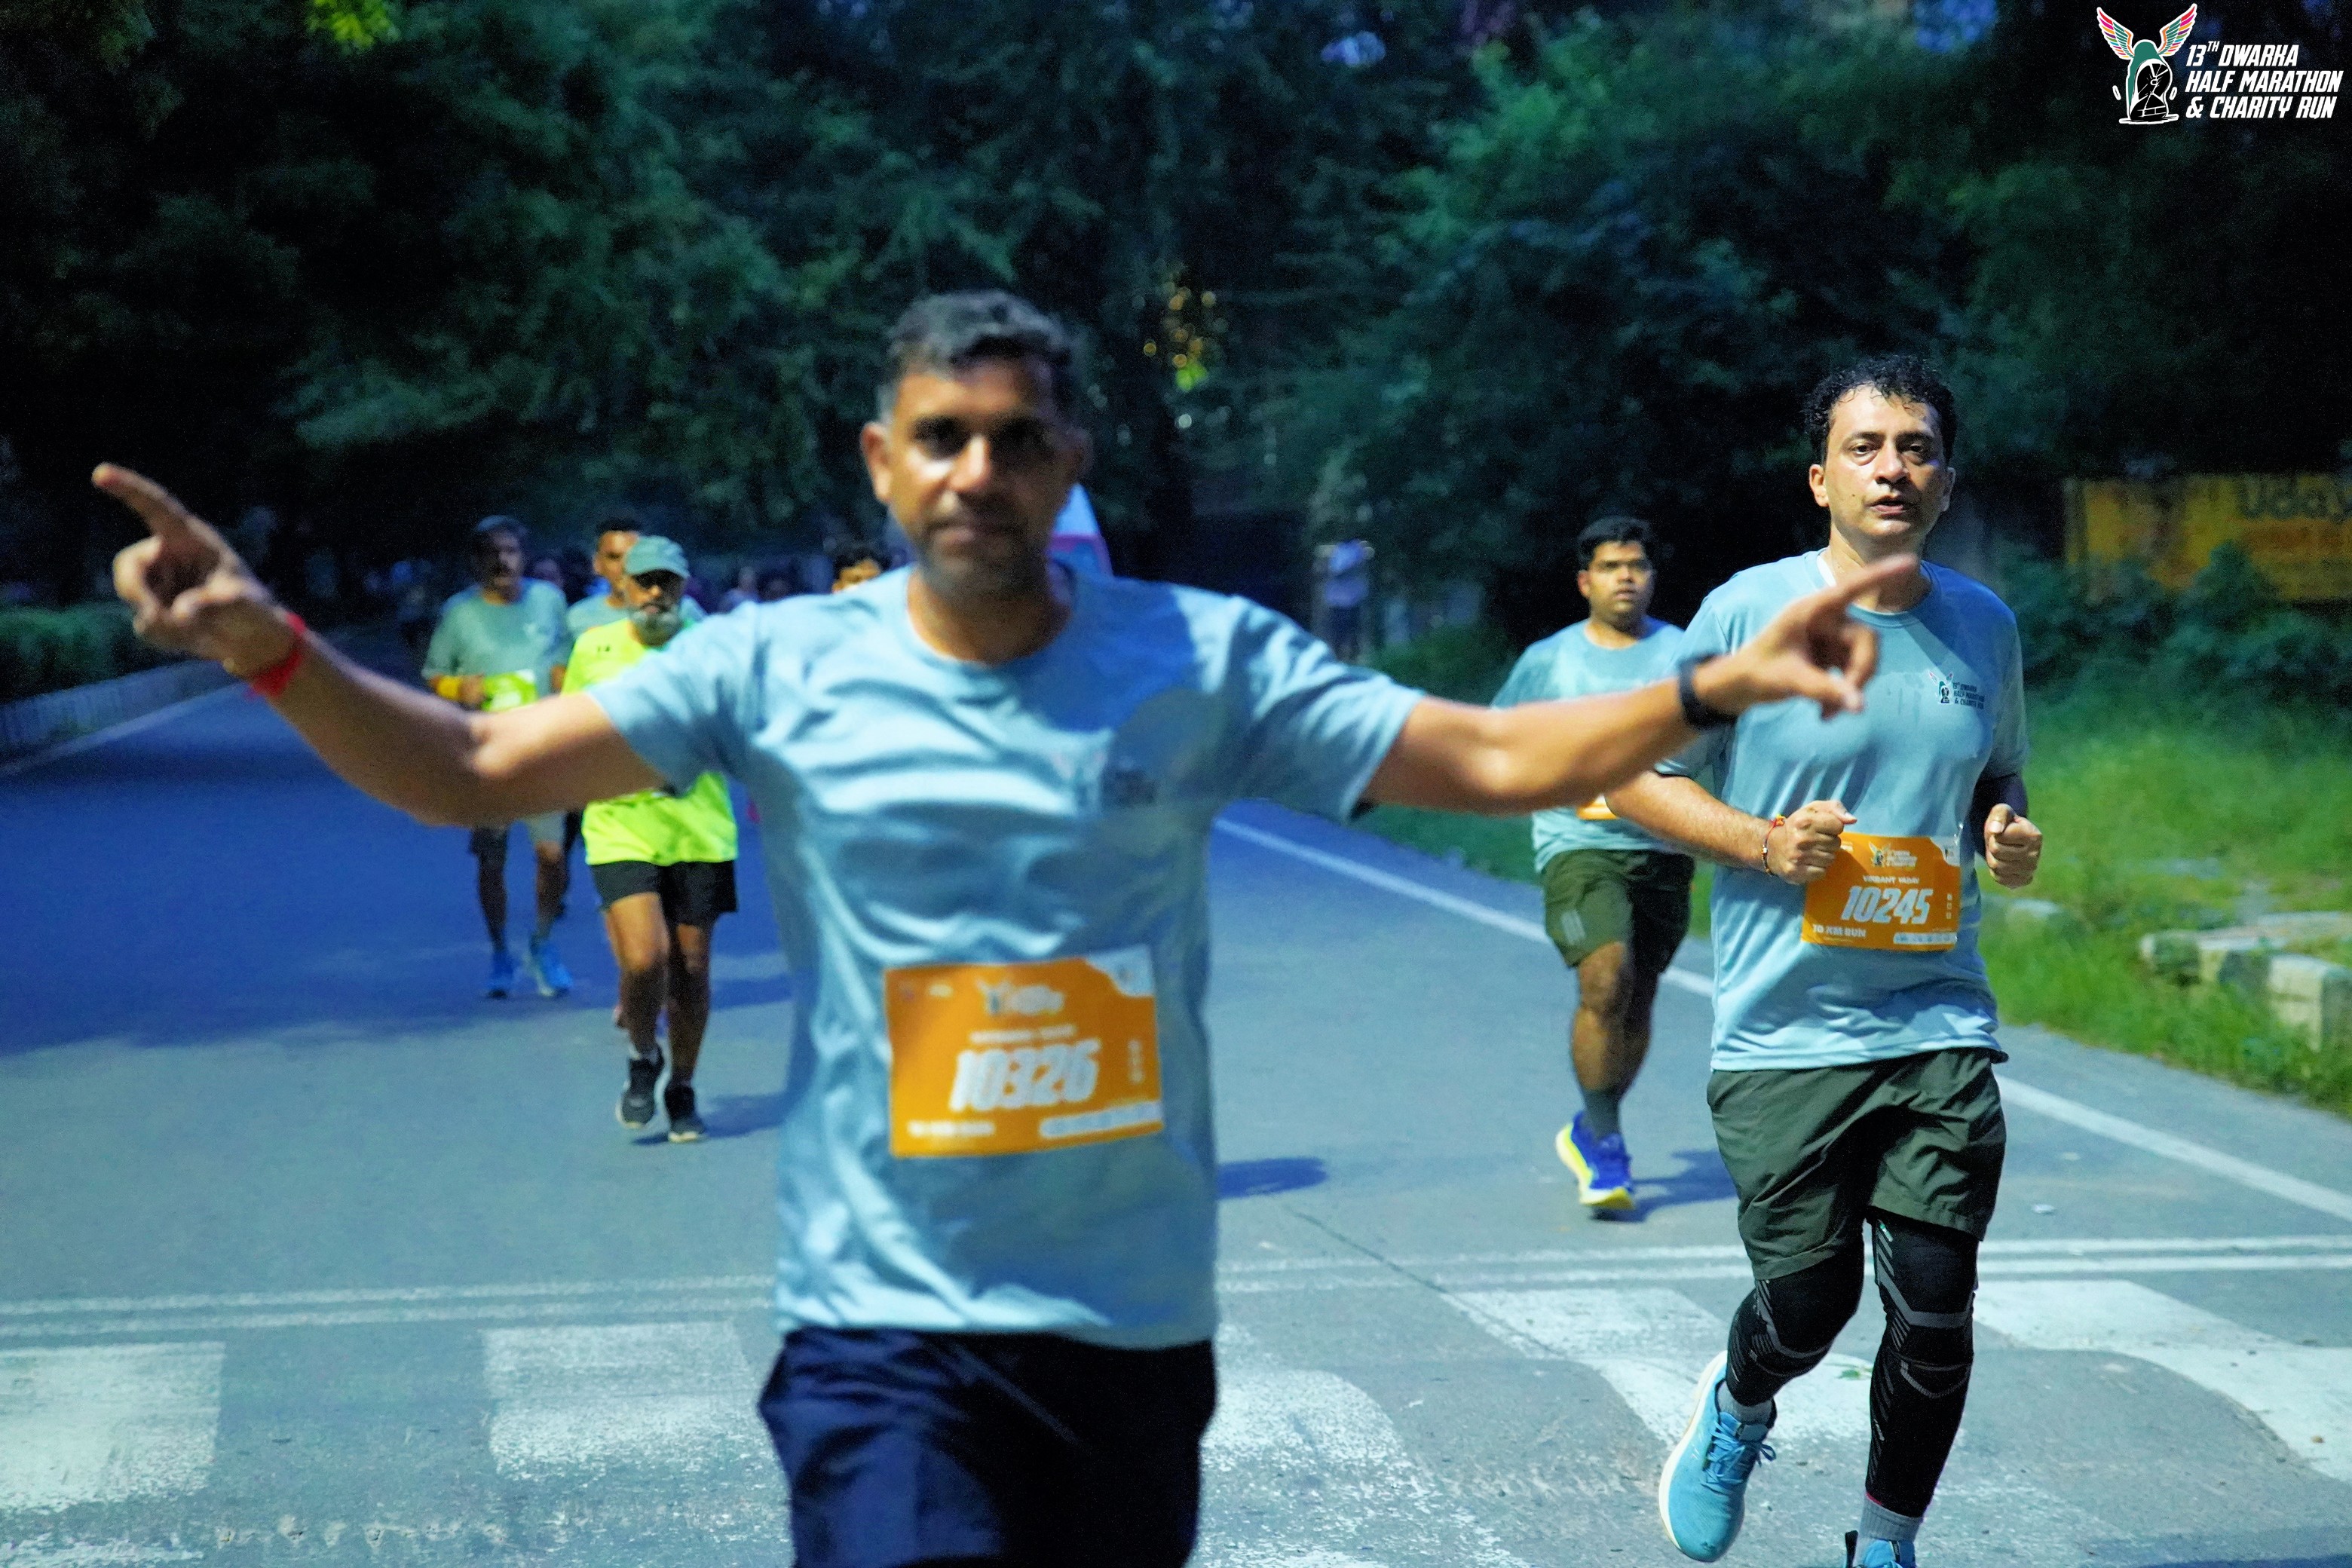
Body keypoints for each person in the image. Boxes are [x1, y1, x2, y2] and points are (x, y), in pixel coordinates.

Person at [100, 289, 1910, 1568]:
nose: (977, 467)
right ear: (881, 464)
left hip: (1128, 1326)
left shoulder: (1195, 657)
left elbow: (1494, 754)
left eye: (1016, 437)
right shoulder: (778, 665)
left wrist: (1706, 685)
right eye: (941, 437)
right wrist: (270, 647)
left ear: (1068, 463)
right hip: (881, 1324)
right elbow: (476, 768)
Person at [1603, 356, 2044, 1568]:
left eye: (1916, 448)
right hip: (1783, 1030)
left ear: (1946, 482)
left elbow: (1997, 770)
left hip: (1936, 1019)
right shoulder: (1750, 614)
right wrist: (1762, 841)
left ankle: (1887, 1547)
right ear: (1820, 479)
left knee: (1937, 1310)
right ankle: (1740, 1403)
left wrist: (2004, 828)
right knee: (1809, 1304)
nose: (1892, 468)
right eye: (1866, 447)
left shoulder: (1984, 626)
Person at [1491, 516, 1689, 1212]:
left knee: (1638, 1000)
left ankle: (1591, 1122)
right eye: (1610, 567)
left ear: (1652, 577)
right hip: (1577, 846)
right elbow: (1500, 738)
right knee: (1607, 978)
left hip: (1664, 848)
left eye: (1637, 565)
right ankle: (1606, 1142)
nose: (1625, 578)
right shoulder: (1550, 661)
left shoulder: (1684, 654)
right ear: (1585, 582)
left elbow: (1724, 741)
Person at [559, 535, 737, 1143]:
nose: (657, 593)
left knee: (692, 969)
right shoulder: (595, 647)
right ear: (625, 587)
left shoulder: (714, 646)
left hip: (698, 828)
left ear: (685, 586)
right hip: (619, 825)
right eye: (645, 581)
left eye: (668, 581)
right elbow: (572, 729)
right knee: (643, 959)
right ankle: (643, 1053)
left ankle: (682, 1086)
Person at [420, 516, 577, 999]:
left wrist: (563, 676)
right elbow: (434, 673)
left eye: (510, 551)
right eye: (491, 552)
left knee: (553, 856)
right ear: (476, 562)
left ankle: (543, 943)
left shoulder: (549, 601)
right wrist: (458, 688)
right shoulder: (459, 612)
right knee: (492, 859)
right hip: (488, 753)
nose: (502, 561)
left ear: (524, 557)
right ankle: (500, 952)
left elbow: (568, 655)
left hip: (543, 750)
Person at [1318, 537, 1374, 660]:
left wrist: (1334, 571)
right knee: (1337, 631)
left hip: (1352, 599)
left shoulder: (1356, 549)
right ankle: (1337, 656)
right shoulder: (1335, 549)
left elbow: (1347, 568)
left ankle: (1353, 656)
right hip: (1335, 600)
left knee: (1352, 630)